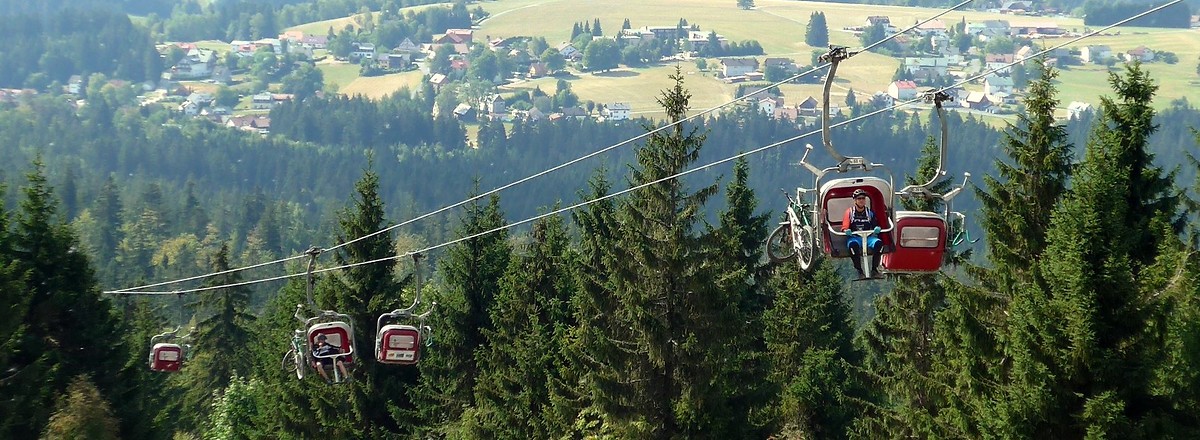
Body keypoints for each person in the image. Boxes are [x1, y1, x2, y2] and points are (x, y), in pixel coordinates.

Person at [842, 188, 884, 278]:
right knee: (853, 246)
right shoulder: (849, 212)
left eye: (863, 198)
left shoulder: (869, 213)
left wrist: (877, 228)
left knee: (879, 244)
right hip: (855, 237)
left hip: (868, 237)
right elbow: (845, 226)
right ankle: (859, 271)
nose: (861, 200)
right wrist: (846, 230)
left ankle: (874, 269)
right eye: (859, 198)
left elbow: (875, 224)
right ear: (855, 200)